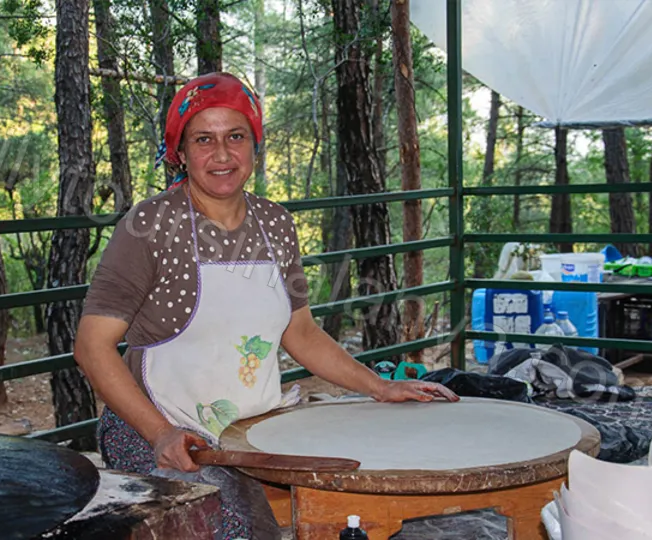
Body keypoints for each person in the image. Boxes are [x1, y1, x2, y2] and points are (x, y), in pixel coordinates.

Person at [73, 72, 458, 539]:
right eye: (203, 139)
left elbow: (300, 332)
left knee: (356, 495)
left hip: (253, 428)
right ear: (179, 151)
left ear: (255, 144)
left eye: (235, 136)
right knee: (239, 525)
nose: (221, 154)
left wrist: (378, 387)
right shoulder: (150, 226)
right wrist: (160, 434)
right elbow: (93, 347)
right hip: (160, 432)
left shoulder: (274, 223)